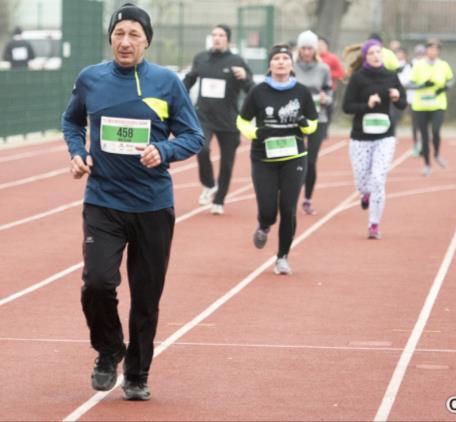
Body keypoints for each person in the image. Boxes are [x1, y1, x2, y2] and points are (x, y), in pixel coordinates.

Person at [62, 3, 204, 401]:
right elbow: (71, 120)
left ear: (146, 41)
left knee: (146, 296)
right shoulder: (90, 79)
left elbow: (193, 135)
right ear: (110, 38)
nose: (125, 42)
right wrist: (77, 151)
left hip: (152, 206)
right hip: (103, 200)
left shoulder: (166, 82)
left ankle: (138, 373)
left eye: (134, 35)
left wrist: (164, 150)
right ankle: (109, 350)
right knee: (97, 283)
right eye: (119, 33)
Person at [236, 44, 318, 275]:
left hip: (294, 157)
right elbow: (242, 121)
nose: (281, 62)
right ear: (270, 64)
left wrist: (305, 125)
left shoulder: (301, 92)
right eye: (276, 59)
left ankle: (282, 257)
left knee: (288, 207)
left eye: (285, 58)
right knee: (269, 208)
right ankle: (264, 224)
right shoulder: (258, 91)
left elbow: (313, 122)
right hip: (263, 158)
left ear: (291, 64)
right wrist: (255, 133)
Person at [184, 24, 254, 215]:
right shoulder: (201, 58)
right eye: (214, 34)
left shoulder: (237, 61)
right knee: (202, 148)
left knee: (227, 162)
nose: (216, 38)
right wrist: (180, 101)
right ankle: (208, 184)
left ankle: (220, 200)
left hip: (229, 119)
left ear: (228, 40)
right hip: (204, 116)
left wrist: (245, 77)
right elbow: (188, 81)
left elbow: (251, 89)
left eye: (221, 35)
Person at [342, 39, 406, 240]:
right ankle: (365, 194)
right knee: (363, 182)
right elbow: (347, 107)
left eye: (378, 52)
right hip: (361, 137)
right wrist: (367, 105)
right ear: (365, 57)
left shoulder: (391, 76)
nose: (376, 56)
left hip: (384, 136)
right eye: (371, 53)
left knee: (378, 179)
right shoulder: (358, 78)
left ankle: (373, 224)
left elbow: (403, 103)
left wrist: (397, 97)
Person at [293, 30, 333, 215]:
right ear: (299, 49)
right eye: (304, 48)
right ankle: (291, 196)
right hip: (294, 119)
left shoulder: (323, 68)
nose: (307, 51)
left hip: (318, 118)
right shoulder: (292, 67)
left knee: (310, 160)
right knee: (294, 159)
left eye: (310, 48)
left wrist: (326, 98)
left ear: (315, 49)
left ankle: (307, 198)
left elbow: (330, 93)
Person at [409, 38, 454, 176]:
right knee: (423, 135)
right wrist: (422, 86)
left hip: (438, 104)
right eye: (430, 48)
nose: (433, 51)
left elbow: (451, 79)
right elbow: (409, 84)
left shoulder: (444, 65)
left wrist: (446, 87)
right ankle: (427, 164)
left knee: (435, 130)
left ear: (439, 51)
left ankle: (437, 154)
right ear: (426, 50)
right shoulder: (418, 65)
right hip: (421, 106)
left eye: (436, 49)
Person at [318, 36, 345, 123]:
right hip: (314, 90)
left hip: (329, 90)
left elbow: (341, 73)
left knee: (328, 110)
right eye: (318, 44)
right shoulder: (312, 59)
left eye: (322, 45)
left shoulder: (332, 58)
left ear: (327, 46)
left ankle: (325, 129)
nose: (320, 46)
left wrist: (328, 74)